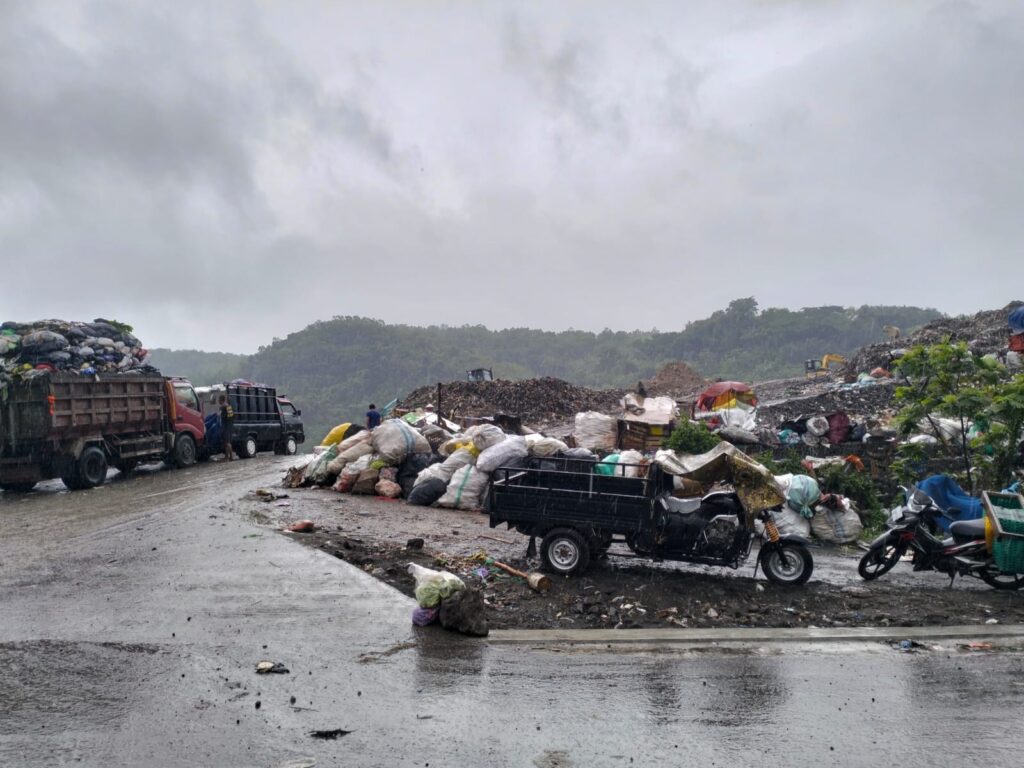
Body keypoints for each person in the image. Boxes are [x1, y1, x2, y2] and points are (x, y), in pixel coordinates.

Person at [219, 395, 235, 460]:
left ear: (221, 400)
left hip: (225, 426)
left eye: (219, 400)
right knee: (227, 442)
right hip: (230, 425)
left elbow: (219, 415)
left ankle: (231, 457)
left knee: (227, 442)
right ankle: (227, 457)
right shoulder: (228, 406)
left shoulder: (222, 407)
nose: (218, 401)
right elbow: (232, 416)